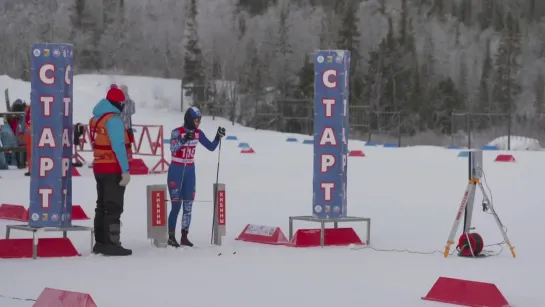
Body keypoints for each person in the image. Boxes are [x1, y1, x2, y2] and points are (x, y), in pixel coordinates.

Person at [167, 107, 225, 247]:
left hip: (190, 172)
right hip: (176, 169)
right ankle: (171, 236)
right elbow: (173, 149)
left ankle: (184, 236)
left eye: (199, 120)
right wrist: (183, 140)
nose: (198, 123)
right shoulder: (177, 132)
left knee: (188, 205)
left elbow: (211, 147)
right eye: (195, 120)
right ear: (188, 119)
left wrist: (218, 137)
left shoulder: (198, 134)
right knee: (176, 205)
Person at [88, 85, 132, 256]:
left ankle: (100, 241)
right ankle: (112, 243)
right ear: (118, 103)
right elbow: (118, 146)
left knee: (102, 205)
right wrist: (125, 170)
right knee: (113, 206)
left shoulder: (95, 119)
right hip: (113, 167)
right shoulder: (113, 120)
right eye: (122, 103)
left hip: (99, 166)